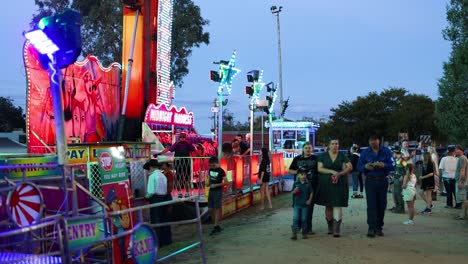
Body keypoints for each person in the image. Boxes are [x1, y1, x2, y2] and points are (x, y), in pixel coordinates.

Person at [357, 134, 395, 238]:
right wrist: (365, 166)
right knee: (371, 205)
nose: (373, 142)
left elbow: (393, 165)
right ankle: (371, 228)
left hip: (382, 181)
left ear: (379, 141)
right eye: (371, 140)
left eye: (375, 140)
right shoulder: (365, 152)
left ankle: (379, 227)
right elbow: (358, 166)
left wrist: (384, 165)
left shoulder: (386, 151)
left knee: (382, 205)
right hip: (370, 181)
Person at [315, 139, 352, 237]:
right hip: (326, 184)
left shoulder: (342, 156)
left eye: (336, 144)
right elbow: (319, 168)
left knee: (337, 205)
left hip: (339, 184)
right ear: (329, 145)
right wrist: (332, 171)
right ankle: (330, 227)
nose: (335, 145)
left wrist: (340, 173)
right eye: (333, 144)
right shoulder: (322, 156)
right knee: (328, 205)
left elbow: (349, 167)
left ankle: (337, 229)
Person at [288, 142, 318, 234]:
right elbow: (289, 170)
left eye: (309, 148)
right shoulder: (297, 159)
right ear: (303, 149)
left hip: (311, 185)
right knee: (298, 206)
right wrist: (298, 172)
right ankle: (298, 226)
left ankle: (308, 228)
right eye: (306, 148)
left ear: (312, 149)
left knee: (309, 207)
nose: (308, 150)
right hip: (299, 186)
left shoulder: (315, 158)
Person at [144, 159, 172, 247]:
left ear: (151, 167)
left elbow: (151, 191)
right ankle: (166, 241)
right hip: (164, 198)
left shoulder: (152, 176)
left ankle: (157, 242)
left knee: (156, 221)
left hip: (155, 199)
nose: (148, 171)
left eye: (148, 169)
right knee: (164, 220)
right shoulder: (162, 176)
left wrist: (146, 197)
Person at [158, 132, 196, 198]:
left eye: (182, 137)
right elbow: (194, 150)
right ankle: (186, 193)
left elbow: (169, 149)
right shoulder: (187, 143)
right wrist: (201, 157)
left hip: (179, 162)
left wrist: (160, 153)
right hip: (186, 163)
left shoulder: (178, 143)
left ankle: (180, 193)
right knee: (186, 178)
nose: (182, 139)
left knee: (179, 178)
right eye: (182, 137)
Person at [206, 156, 228, 235]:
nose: (211, 167)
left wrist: (217, 185)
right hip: (211, 190)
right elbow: (209, 178)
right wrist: (208, 183)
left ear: (216, 163)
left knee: (217, 208)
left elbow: (226, 182)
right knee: (210, 208)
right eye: (210, 166)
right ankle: (215, 224)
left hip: (217, 191)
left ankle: (216, 225)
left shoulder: (221, 171)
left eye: (213, 165)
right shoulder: (210, 170)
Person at [291, 167, 314, 240]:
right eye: (302, 174)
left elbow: (311, 192)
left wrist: (309, 200)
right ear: (298, 175)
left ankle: (304, 233)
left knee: (304, 219)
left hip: (305, 205)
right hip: (297, 205)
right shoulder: (296, 183)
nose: (304, 176)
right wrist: (294, 191)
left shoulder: (308, 184)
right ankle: (294, 233)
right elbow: (292, 193)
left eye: (305, 174)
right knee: (295, 218)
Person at [454, 146, 468, 218]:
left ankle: (462, 215)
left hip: (462, 182)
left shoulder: (462, 158)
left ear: (461, 150)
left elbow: (462, 170)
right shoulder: (462, 158)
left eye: (457, 150)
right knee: (463, 199)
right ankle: (463, 215)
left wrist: (460, 182)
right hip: (464, 181)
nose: (455, 151)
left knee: (463, 199)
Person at [391, 149, 406, 214]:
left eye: (394, 153)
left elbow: (406, 169)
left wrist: (402, 176)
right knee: (395, 193)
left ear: (397, 153)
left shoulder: (402, 160)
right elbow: (396, 169)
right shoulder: (397, 160)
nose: (393, 154)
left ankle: (401, 208)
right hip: (396, 178)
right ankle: (397, 206)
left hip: (399, 179)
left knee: (399, 193)